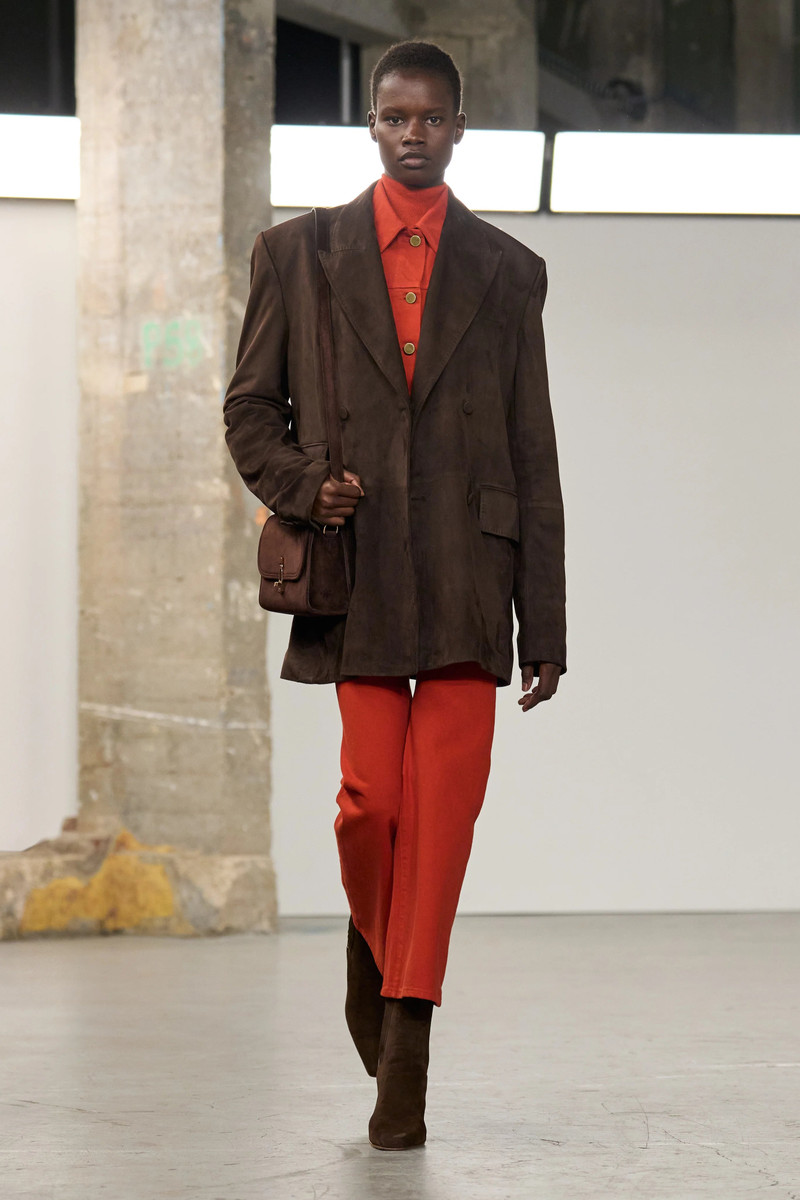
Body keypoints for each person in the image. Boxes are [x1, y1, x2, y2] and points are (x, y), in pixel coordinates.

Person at [223, 40, 567, 1151]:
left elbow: (533, 450)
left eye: (430, 116)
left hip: (471, 571)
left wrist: (545, 621)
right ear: (371, 126)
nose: (412, 132)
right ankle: (372, 949)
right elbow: (248, 411)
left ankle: (405, 1045)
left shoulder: (508, 271)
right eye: (393, 116)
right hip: (359, 567)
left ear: (459, 128)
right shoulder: (297, 253)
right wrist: (302, 487)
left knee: (445, 819)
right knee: (371, 806)